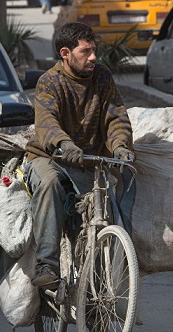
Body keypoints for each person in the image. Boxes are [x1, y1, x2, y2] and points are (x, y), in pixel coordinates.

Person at [23, 22, 134, 289]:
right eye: (86, 52)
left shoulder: (102, 77)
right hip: (49, 158)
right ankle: (46, 264)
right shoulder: (49, 81)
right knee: (49, 184)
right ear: (65, 53)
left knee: (120, 187)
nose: (93, 57)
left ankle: (117, 262)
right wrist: (64, 143)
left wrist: (120, 145)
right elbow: (46, 122)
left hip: (88, 161)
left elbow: (116, 118)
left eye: (94, 50)